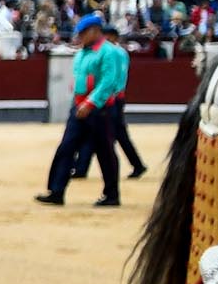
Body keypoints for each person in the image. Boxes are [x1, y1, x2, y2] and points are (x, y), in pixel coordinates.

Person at [36, 12, 124, 207]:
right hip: (79, 106)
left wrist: (90, 103)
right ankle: (56, 191)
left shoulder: (108, 52)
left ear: (95, 31)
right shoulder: (83, 52)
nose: (80, 36)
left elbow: (108, 82)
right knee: (66, 147)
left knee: (105, 152)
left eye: (83, 33)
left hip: (100, 109)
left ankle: (112, 195)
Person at [71, 24, 147, 182]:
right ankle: (82, 167)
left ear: (112, 37)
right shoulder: (113, 52)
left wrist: (112, 94)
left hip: (111, 99)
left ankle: (137, 165)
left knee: (111, 135)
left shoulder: (115, 52)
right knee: (102, 134)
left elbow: (114, 77)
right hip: (107, 97)